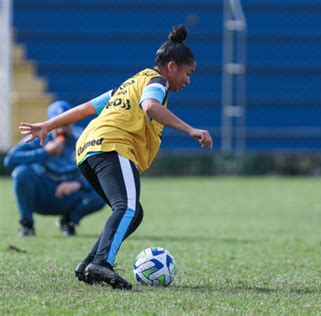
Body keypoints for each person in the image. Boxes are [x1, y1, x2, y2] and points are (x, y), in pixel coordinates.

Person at [19, 24, 212, 290]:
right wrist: (191, 130)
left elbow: (87, 107)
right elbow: (151, 107)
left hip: (87, 149)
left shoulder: (129, 84)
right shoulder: (158, 82)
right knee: (127, 208)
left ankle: (89, 264)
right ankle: (102, 264)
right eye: (188, 73)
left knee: (133, 212)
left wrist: (48, 125)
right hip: (112, 146)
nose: (188, 80)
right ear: (171, 66)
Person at [4, 101, 105, 237]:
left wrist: (79, 184)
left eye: (66, 124)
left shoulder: (83, 137)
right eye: (57, 125)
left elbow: (99, 167)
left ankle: (69, 221)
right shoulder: (40, 136)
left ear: (72, 122)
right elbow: (9, 160)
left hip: (69, 195)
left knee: (104, 190)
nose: (61, 130)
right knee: (21, 173)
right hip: (43, 191)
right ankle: (27, 224)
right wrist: (44, 152)